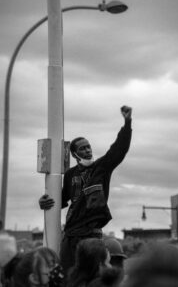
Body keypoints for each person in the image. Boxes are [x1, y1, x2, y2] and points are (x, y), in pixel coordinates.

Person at [39, 105, 132, 273]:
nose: (88, 150)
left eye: (88, 146)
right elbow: (60, 200)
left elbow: (119, 149)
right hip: (70, 234)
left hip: (91, 235)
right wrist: (44, 201)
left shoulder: (101, 168)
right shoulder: (70, 175)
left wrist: (127, 123)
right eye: (83, 148)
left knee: (91, 275)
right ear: (74, 154)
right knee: (67, 275)